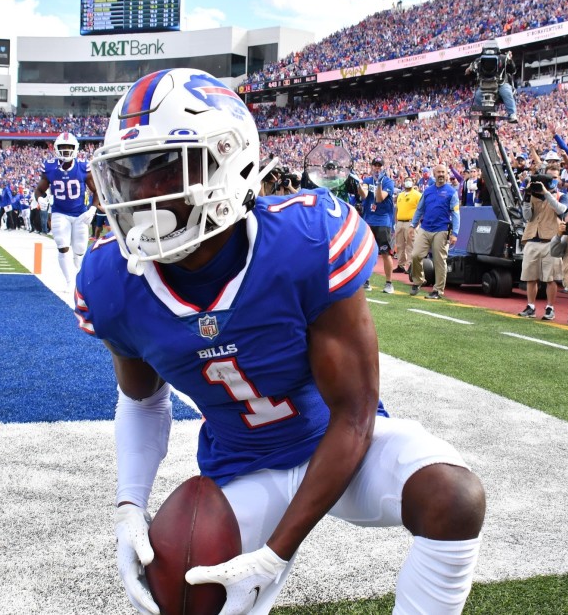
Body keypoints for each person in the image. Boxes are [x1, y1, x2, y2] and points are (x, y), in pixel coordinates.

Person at [76, 69, 485, 615]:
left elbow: (356, 415)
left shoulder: (306, 242)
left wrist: (276, 552)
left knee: (453, 498)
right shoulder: (113, 282)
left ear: (227, 161)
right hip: (243, 469)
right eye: (128, 174)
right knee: (186, 585)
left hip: (339, 448)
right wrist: (130, 504)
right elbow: (141, 399)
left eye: (164, 170)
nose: (141, 195)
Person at [36, 131, 100, 291]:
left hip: (80, 214)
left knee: (79, 251)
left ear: (76, 148)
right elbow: (39, 189)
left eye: (69, 147)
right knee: (62, 246)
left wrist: (92, 209)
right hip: (59, 212)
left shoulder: (83, 167)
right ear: (56, 148)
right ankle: (69, 281)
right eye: (62, 147)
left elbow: (97, 190)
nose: (66, 150)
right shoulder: (50, 168)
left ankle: (78, 279)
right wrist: (40, 199)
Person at [517, 163, 567, 320]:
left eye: (554, 178)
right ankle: (531, 306)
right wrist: (526, 197)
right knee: (531, 276)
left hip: (551, 241)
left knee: (550, 278)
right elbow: (527, 217)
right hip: (532, 238)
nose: (550, 181)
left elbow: (561, 210)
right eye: (548, 177)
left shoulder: (561, 195)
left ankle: (550, 308)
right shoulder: (532, 195)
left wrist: (547, 193)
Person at [407, 164, 460, 300]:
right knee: (415, 255)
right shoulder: (428, 191)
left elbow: (455, 213)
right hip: (425, 228)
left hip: (441, 230)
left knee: (439, 260)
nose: (441, 174)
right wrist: (413, 225)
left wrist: (455, 233)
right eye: (438, 172)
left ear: (446, 174)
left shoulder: (451, 192)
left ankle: (438, 290)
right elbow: (420, 209)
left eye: (443, 172)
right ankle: (418, 281)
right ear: (434, 174)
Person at [359, 157, 397, 293]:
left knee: (385, 253)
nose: (377, 168)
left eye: (379, 166)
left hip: (383, 222)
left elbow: (380, 198)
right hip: (368, 220)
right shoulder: (367, 181)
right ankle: (366, 281)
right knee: (367, 252)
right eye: (375, 165)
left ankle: (389, 283)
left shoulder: (388, 182)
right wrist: (359, 184)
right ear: (371, 166)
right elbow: (363, 195)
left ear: (383, 167)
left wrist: (379, 184)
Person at [393, 176, 421, 274]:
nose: (408, 182)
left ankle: (410, 265)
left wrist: (417, 223)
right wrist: (396, 221)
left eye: (410, 180)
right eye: (406, 180)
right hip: (400, 222)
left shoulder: (418, 195)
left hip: (410, 222)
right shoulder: (400, 195)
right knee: (400, 245)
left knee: (410, 245)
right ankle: (400, 264)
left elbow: (421, 209)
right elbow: (397, 209)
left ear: (413, 182)